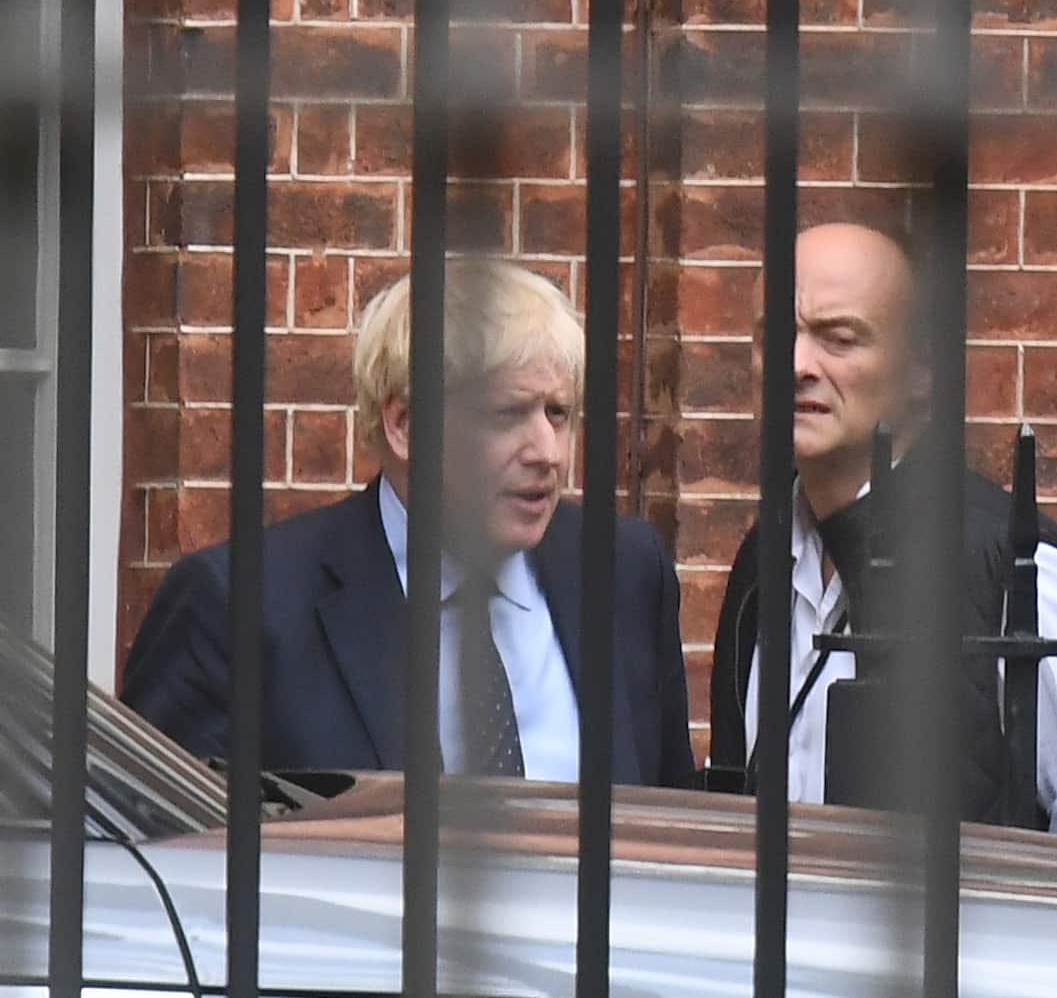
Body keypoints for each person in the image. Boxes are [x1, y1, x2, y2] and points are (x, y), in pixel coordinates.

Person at [122, 259, 695, 788]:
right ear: (404, 426)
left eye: (558, 414)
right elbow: (166, 860)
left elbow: (672, 837)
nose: (547, 452)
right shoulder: (242, 606)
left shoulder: (623, 572)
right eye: (508, 414)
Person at [708, 221, 1057, 837]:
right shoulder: (764, 561)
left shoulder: (1016, 568)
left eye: (840, 339)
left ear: (922, 374)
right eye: (774, 335)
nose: (796, 363)